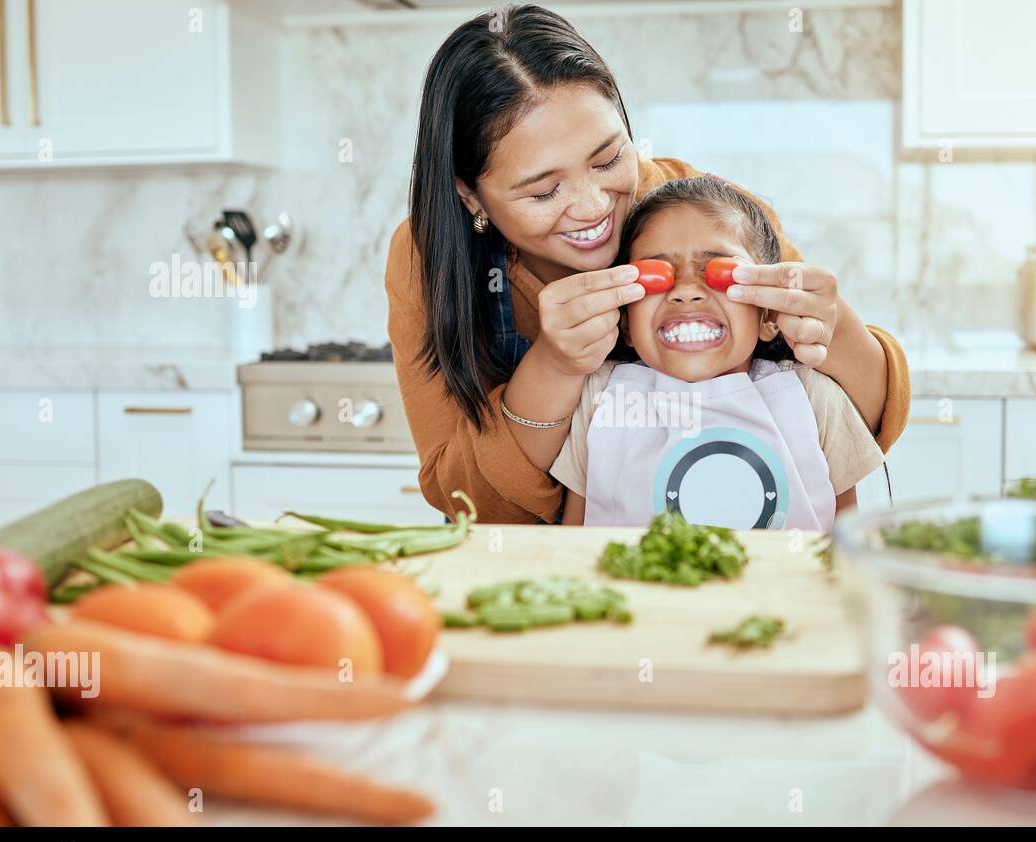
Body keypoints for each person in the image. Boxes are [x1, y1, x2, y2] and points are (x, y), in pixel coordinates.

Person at [385, 3, 910, 524]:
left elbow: (859, 425)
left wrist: (831, 322)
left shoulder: (707, 216)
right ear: (471, 198)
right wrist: (555, 366)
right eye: (544, 191)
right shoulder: (426, 258)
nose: (593, 206)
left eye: (610, 158)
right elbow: (466, 503)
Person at [549, 175, 884, 531]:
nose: (687, 292)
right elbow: (574, 547)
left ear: (769, 314)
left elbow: (850, 546)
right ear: (627, 322)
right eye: (656, 275)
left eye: (719, 272)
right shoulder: (599, 398)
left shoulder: (814, 396)